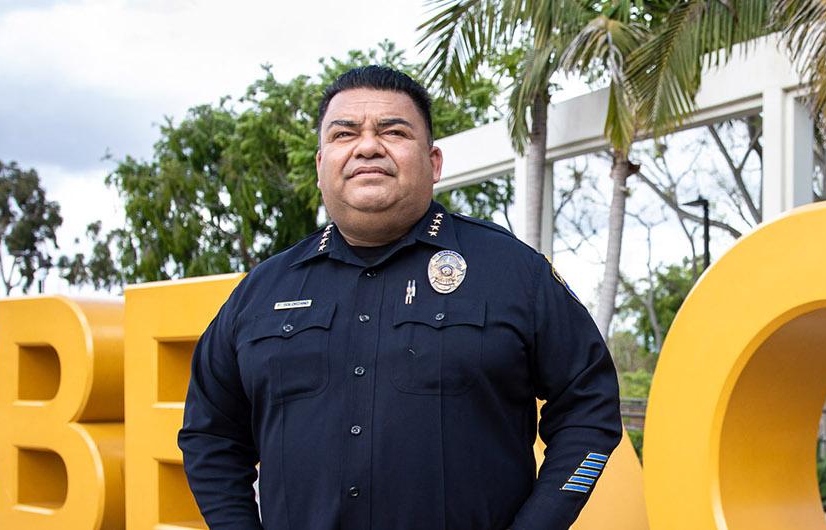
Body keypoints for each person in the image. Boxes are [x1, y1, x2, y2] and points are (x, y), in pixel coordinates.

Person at [179, 65, 622, 530]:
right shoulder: (261, 292)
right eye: (344, 133)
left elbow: (589, 405)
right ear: (320, 164)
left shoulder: (514, 273)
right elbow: (210, 434)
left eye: (393, 131)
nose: (367, 145)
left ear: (433, 163)